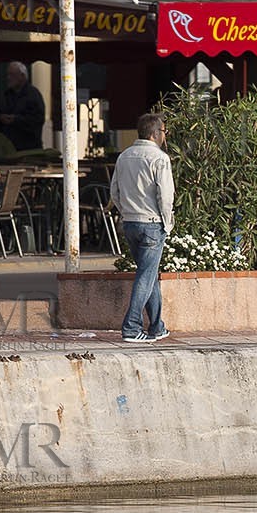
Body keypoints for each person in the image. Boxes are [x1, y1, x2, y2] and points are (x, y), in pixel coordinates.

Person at [109, 112, 175, 343]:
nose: (165, 136)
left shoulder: (124, 156)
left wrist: (127, 210)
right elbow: (165, 196)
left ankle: (157, 326)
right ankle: (131, 326)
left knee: (149, 275)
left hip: (130, 223)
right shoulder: (160, 158)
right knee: (146, 276)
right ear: (155, 133)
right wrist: (167, 222)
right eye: (164, 132)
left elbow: (114, 191)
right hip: (152, 223)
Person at [0, 61, 46, 152]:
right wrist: (1, 117)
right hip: (9, 148)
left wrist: (15, 119)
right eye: (8, 75)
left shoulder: (33, 95)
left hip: (29, 148)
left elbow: (37, 119)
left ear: (22, 76)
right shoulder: (7, 95)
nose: (8, 78)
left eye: (12, 75)